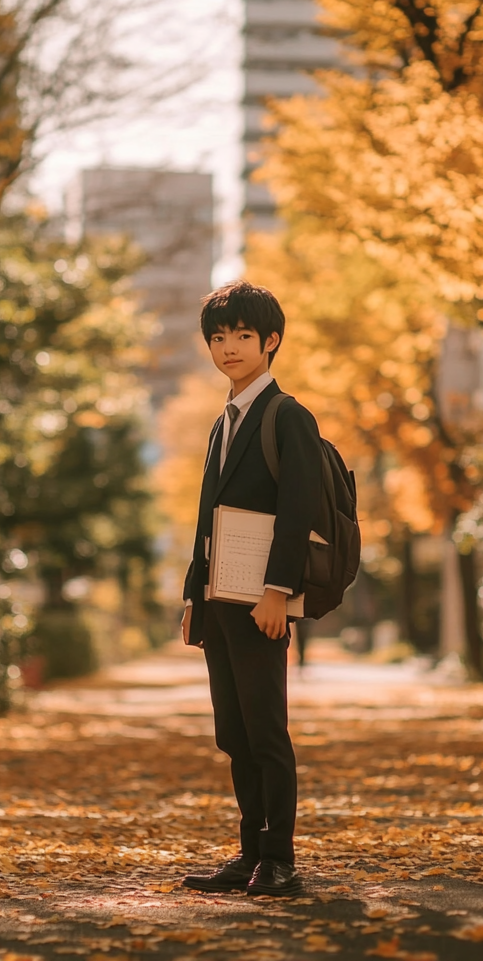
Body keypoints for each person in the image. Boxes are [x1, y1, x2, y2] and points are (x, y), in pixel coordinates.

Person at [180, 280, 322, 898]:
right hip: (219, 599)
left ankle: (281, 859)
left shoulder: (289, 416)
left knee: (266, 731)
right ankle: (249, 854)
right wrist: (194, 594)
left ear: (271, 341)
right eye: (218, 337)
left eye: (241, 335)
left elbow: (299, 509)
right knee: (232, 733)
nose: (228, 347)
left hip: (261, 599)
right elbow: (207, 513)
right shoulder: (222, 422)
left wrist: (277, 591)